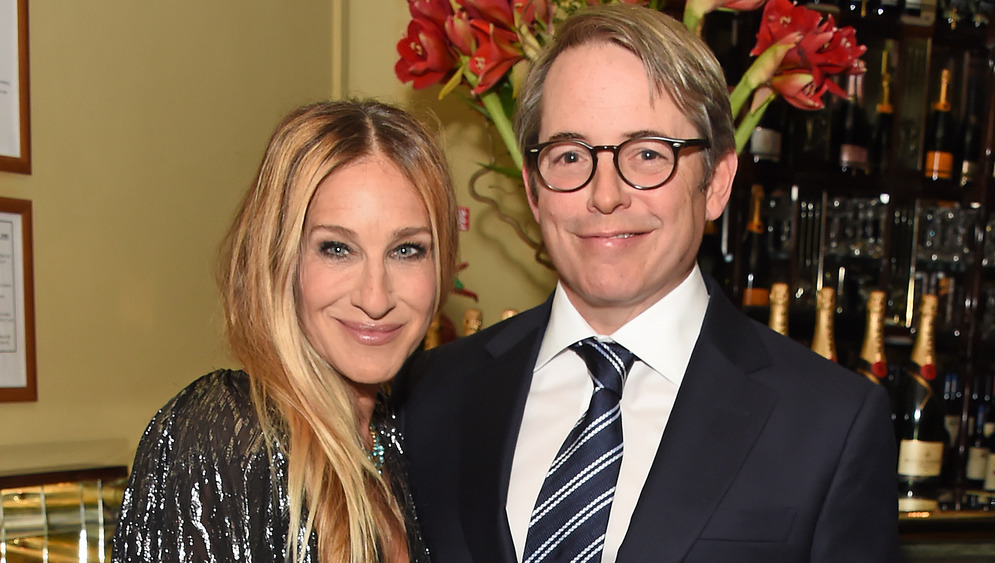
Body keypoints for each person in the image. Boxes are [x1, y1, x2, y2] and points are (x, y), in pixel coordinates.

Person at [395, 5, 898, 562]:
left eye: (648, 154)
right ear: (533, 190)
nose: (606, 195)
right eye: (568, 155)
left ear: (716, 182)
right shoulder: (433, 392)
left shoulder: (829, 424)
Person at [112, 100, 458, 563]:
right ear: (280, 260)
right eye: (337, 248)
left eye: (408, 250)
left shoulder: (393, 438)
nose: (376, 297)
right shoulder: (226, 436)